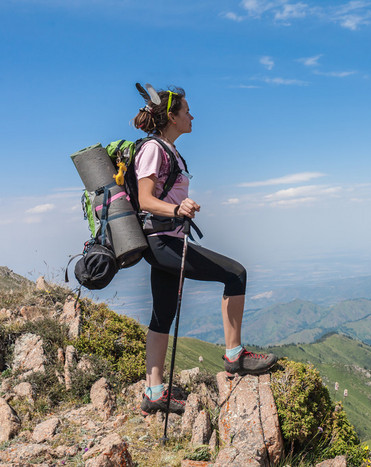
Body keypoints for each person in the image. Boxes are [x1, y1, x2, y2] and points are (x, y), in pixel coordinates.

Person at [131, 85, 277, 416]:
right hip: (162, 240)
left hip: (165, 240)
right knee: (235, 273)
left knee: (162, 312)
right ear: (172, 117)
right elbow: (145, 199)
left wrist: (176, 210)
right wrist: (177, 209)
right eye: (186, 111)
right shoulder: (154, 149)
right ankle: (234, 355)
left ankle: (154, 393)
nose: (191, 116)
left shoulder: (168, 149)